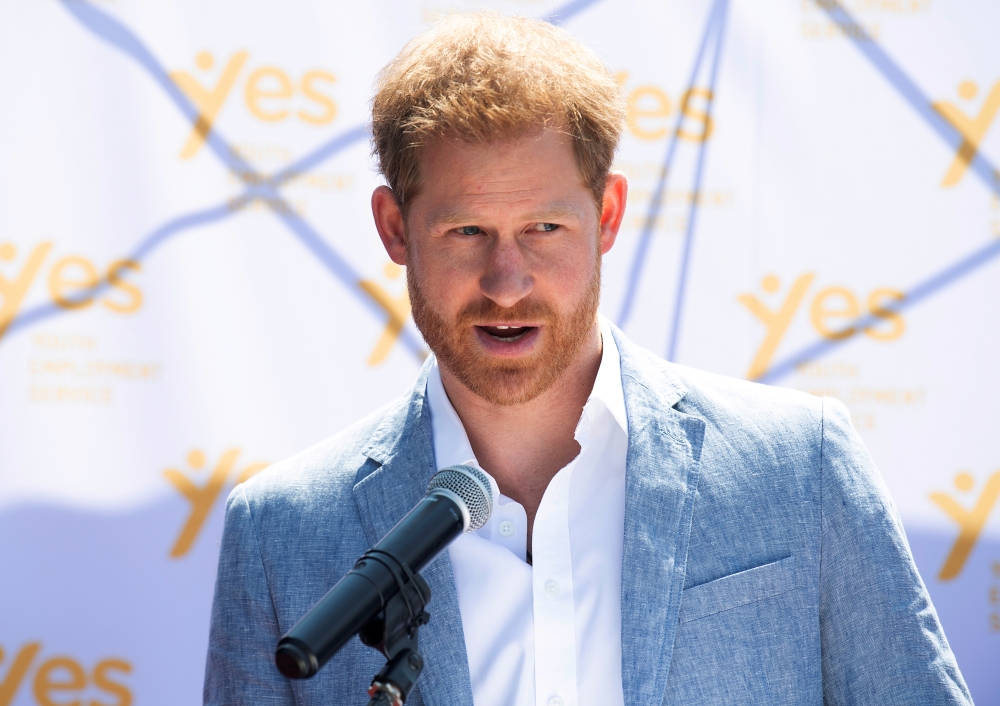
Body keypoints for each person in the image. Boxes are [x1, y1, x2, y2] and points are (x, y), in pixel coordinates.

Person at [204, 12, 971, 706]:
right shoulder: (281, 532)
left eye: (544, 228)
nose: (507, 284)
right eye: (465, 232)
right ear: (394, 228)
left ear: (606, 215)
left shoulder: (799, 467)